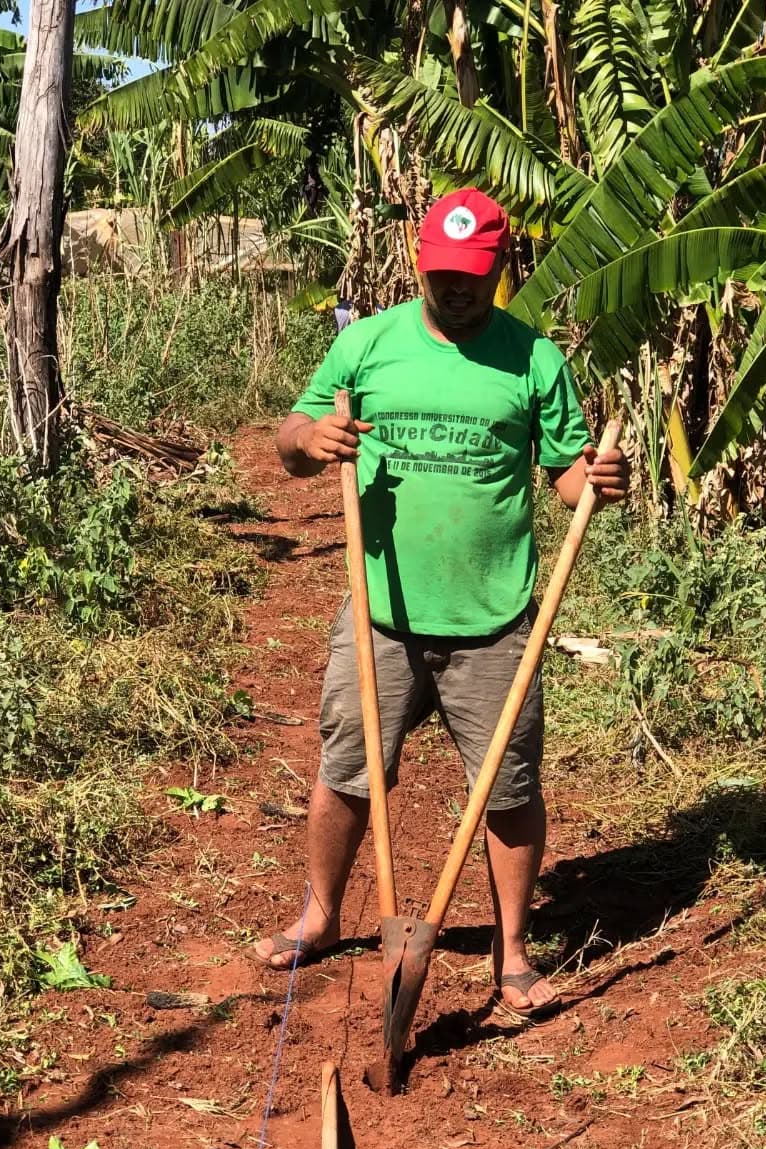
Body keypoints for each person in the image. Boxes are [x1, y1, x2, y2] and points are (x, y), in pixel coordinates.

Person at [251, 188, 629, 1013]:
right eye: (443, 273)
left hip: (494, 619)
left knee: (509, 787)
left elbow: (566, 476)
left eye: (474, 274)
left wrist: (595, 482)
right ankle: (321, 915)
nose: (457, 288)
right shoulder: (366, 343)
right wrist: (311, 439)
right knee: (348, 770)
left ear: (500, 268)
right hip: (380, 611)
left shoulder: (534, 360)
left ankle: (513, 951)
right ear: (419, 262)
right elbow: (290, 440)